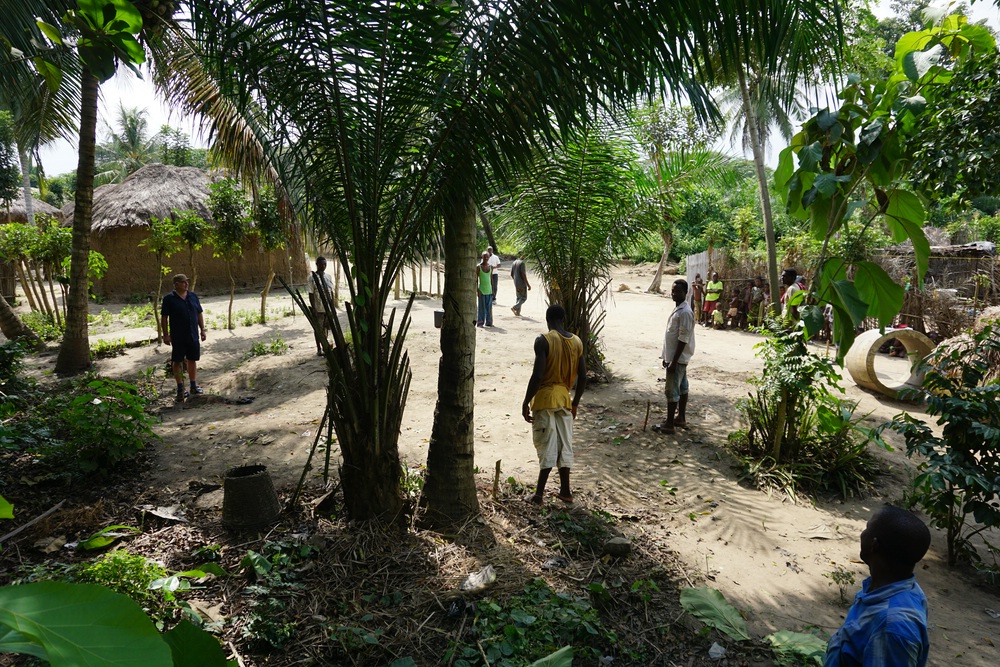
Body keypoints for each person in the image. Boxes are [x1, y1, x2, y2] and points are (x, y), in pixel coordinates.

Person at [824, 505, 931, 667]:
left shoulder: (891, 630)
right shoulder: (901, 590)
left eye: (867, 529)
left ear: (874, 545)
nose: (862, 534)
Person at [522, 304, 586, 505]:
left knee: (547, 445)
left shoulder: (544, 340)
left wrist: (525, 402)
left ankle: (539, 495)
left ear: (547, 319)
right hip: (565, 399)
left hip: (545, 398)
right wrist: (575, 403)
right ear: (563, 319)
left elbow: (538, 376)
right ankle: (565, 491)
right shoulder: (576, 342)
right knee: (564, 445)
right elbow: (582, 377)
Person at [653, 279, 695, 434]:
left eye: (677, 291)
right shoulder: (679, 309)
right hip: (676, 358)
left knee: (672, 390)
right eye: (672, 291)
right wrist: (667, 357)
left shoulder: (684, 312)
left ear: (685, 293)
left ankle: (670, 424)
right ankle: (680, 417)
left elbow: (683, 338)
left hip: (678, 359)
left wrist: (673, 361)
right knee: (683, 387)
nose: (674, 294)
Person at [161, 274, 207, 402]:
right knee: (177, 361)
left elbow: (199, 313)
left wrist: (202, 329)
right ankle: (180, 388)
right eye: (183, 282)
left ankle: (193, 385)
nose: (186, 284)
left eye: (186, 282)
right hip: (178, 336)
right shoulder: (169, 299)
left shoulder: (193, 296)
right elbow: (164, 317)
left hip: (193, 334)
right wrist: (166, 334)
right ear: (176, 284)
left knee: (192, 359)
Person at [307, 256, 335, 356]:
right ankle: (319, 348)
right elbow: (311, 294)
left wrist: (332, 305)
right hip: (318, 308)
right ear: (317, 265)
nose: (323, 266)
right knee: (318, 329)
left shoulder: (328, 277)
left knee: (326, 328)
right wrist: (313, 308)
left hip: (327, 307)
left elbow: (331, 291)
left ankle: (325, 347)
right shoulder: (312, 278)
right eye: (321, 264)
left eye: (325, 264)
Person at [476, 251, 493, 327]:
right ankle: (480, 322)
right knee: (481, 308)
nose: (486, 258)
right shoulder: (478, 267)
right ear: (481, 257)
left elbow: (491, 279)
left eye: (487, 257)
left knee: (489, 308)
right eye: (484, 256)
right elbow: (476, 279)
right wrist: (477, 290)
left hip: (489, 290)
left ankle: (489, 322)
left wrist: (493, 290)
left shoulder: (490, 267)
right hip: (482, 291)